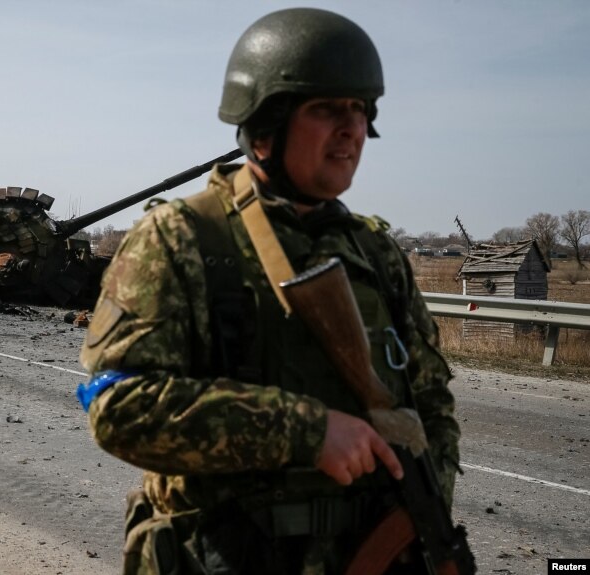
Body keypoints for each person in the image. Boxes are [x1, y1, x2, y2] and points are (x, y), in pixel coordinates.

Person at [78, 8, 461, 574]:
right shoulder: (183, 238)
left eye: (359, 110)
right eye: (327, 108)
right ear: (265, 125)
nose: (352, 128)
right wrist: (306, 431)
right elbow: (120, 408)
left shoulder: (375, 254)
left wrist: (419, 516)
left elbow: (433, 408)